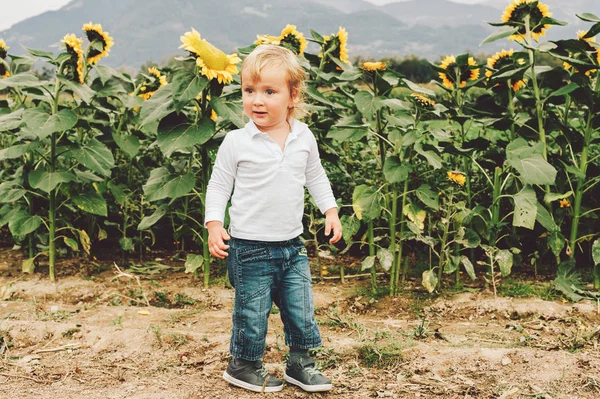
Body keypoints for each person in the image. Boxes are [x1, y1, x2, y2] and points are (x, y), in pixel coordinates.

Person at [205, 44, 342, 393]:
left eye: (269, 91)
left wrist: (330, 210)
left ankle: (301, 363)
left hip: (292, 245)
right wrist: (214, 223)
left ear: (293, 95)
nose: (257, 101)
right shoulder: (237, 142)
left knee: (301, 307)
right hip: (249, 247)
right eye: (249, 91)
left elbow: (316, 176)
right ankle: (243, 365)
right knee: (252, 313)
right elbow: (219, 185)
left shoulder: (303, 137)